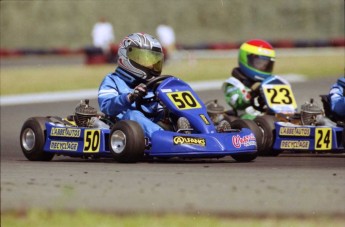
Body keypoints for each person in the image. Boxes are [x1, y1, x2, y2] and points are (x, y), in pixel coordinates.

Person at [98, 33, 189, 139]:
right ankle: (167, 139)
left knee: (174, 112)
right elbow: (107, 107)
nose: (151, 66)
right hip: (126, 129)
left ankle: (193, 133)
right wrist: (129, 98)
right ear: (126, 56)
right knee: (133, 115)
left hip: (152, 121)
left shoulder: (153, 83)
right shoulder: (112, 80)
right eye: (144, 60)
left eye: (154, 61)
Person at [222, 39, 276, 119]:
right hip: (246, 119)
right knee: (251, 118)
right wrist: (252, 95)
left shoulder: (269, 83)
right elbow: (236, 101)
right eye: (259, 63)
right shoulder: (234, 83)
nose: (263, 67)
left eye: (266, 64)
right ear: (246, 59)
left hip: (267, 116)